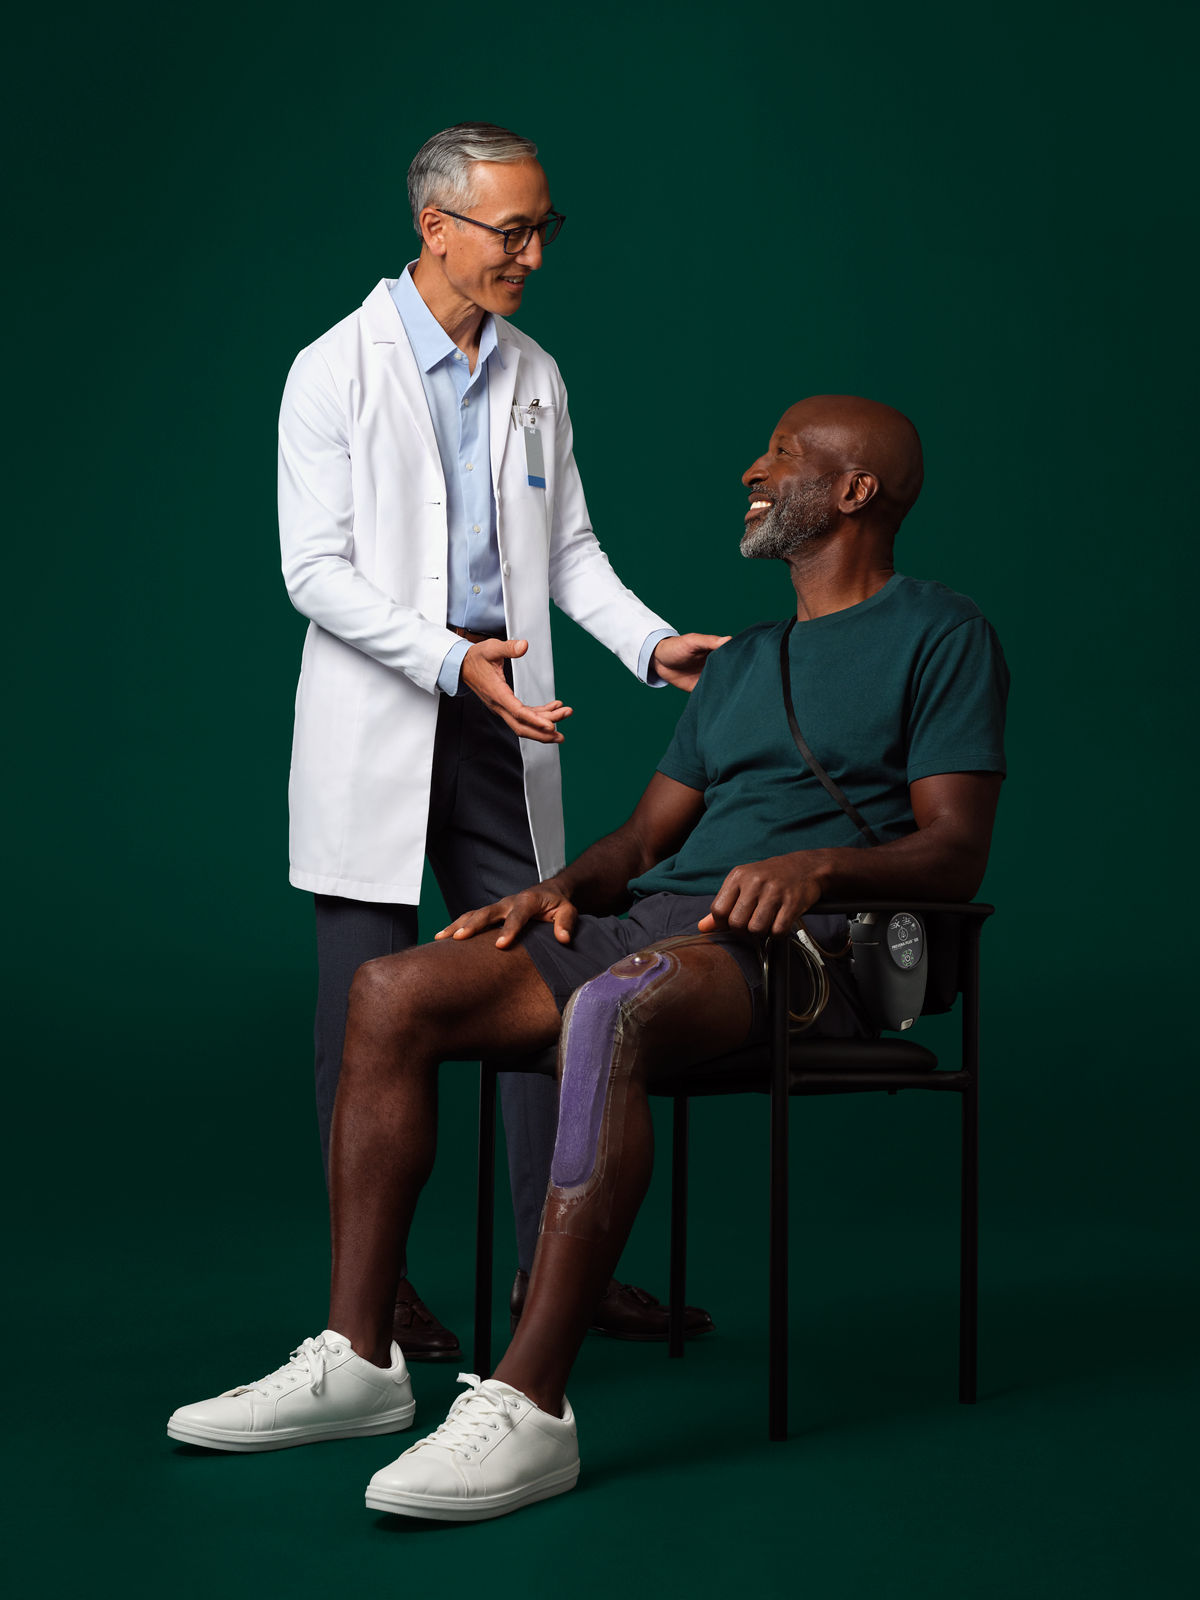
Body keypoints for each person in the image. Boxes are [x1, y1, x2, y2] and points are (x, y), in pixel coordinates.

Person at [173, 394, 1009, 1520]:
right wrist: (557, 889)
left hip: (813, 950)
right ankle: (359, 1355)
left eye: (781, 456)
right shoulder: (744, 661)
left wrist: (816, 869)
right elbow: (645, 839)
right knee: (394, 989)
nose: (751, 471)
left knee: (614, 1006)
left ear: (855, 492)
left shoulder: (942, 634)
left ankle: (529, 1404)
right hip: (658, 927)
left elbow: (955, 850)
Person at [278, 122, 726, 1358]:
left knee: (548, 984)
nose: (532, 253)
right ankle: (371, 1299)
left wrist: (651, 645)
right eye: (509, 230)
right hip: (387, 712)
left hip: (503, 718)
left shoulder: (534, 372)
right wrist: (445, 659)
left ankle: (554, 1272)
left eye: (544, 228)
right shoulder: (334, 369)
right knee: (360, 1016)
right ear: (435, 228)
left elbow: (568, 553)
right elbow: (310, 570)